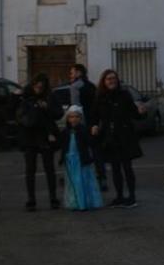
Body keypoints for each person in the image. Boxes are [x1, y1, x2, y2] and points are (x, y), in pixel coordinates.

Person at [92, 69, 143, 208]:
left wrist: (141, 112)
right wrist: (94, 126)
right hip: (109, 137)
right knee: (115, 168)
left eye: (114, 78)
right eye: (108, 79)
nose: (111, 81)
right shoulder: (100, 97)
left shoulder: (124, 95)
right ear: (104, 81)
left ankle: (132, 197)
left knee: (127, 167)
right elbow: (95, 116)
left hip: (125, 136)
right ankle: (119, 196)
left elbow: (135, 115)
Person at [17, 73, 62, 211]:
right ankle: (31, 200)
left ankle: (53, 198)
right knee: (30, 170)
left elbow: (58, 113)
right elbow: (18, 114)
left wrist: (46, 107)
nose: (38, 88)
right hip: (29, 137)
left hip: (46, 136)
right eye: (36, 85)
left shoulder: (50, 97)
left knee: (49, 169)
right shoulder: (25, 97)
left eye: (41, 86)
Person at [68, 63, 108, 193]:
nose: (71, 75)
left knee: (80, 152)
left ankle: (82, 179)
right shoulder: (92, 86)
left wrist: (76, 123)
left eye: (72, 72)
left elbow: (76, 107)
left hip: (83, 124)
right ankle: (102, 178)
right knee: (96, 152)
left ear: (79, 73)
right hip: (93, 122)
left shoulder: (75, 87)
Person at [59, 105, 103, 211]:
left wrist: (94, 134)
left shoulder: (83, 130)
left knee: (82, 180)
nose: (74, 119)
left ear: (81, 118)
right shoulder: (65, 131)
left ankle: (84, 202)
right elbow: (62, 145)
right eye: (71, 117)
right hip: (70, 159)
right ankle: (75, 202)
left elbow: (91, 143)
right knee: (73, 181)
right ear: (68, 118)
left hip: (81, 159)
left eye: (76, 117)